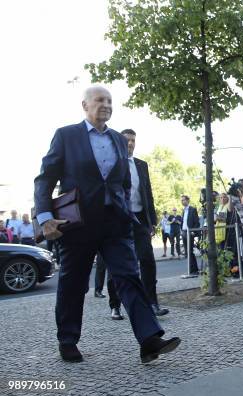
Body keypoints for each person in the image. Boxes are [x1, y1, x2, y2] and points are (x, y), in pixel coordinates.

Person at [34, 86, 180, 363]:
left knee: (128, 277)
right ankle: (67, 340)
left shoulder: (116, 138)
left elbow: (122, 181)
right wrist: (44, 218)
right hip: (77, 224)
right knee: (73, 283)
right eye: (100, 100)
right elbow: (45, 179)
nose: (106, 105)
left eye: (110, 101)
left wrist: (127, 209)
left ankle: (149, 340)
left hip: (115, 223)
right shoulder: (66, 135)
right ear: (85, 105)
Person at [108, 128, 168, 317]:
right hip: (118, 220)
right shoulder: (111, 163)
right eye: (127, 140)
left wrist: (152, 221)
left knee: (148, 261)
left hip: (140, 219)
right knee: (117, 263)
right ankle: (115, 305)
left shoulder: (142, 165)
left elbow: (147, 193)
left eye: (133, 140)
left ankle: (152, 303)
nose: (131, 143)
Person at [180, 195, 200, 275]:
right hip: (184, 232)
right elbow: (183, 222)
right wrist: (181, 230)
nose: (182, 202)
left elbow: (196, 222)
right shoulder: (183, 210)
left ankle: (194, 270)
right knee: (187, 252)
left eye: (184, 200)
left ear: (188, 200)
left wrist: (193, 231)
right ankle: (191, 269)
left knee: (190, 251)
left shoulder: (192, 209)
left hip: (190, 232)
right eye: (181, 200)